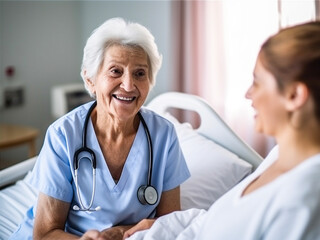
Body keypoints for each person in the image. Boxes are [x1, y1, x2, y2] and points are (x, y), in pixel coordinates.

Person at [126, 19, 320, 240]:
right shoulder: (282, 157)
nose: (249, 94)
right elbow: (226, 223)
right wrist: (163, 227)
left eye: (257, 82)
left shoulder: (308, 199)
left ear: (295, 95)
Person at [10, 17, 190, 240]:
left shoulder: (163, 135)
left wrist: (119, 232)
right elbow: (46, 233)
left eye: (140, 73)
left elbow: (172, 222)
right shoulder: (63, 135)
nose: (128, 85)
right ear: (91, 79)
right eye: (115, 71)